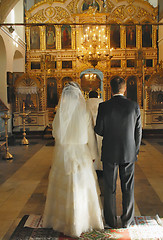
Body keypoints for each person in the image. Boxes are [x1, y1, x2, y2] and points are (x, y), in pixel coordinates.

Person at [43, 82, 104, 237]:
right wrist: (93, 156)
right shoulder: (84, 112)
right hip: (81, 153)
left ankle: (62, 220)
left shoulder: (60, 113)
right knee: (81, 187)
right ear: (78, 96)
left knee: (63, 187)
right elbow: (90, 136)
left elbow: (55, 134)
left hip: (63, 154)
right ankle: (82, 220)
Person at [95, 76, 142, 228]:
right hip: (129, 152)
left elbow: (99, 130)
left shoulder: (104, 106)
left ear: (110, 88)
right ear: (125, 88)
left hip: (109, 151)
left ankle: (110, 221)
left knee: (109, 187)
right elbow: (138, 131)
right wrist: (135, 150)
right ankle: (127, 221)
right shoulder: (133, 106)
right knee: (128, 187)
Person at [86, 90, 103, 170]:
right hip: (101, 130)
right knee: (100, 146)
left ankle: (93, 167)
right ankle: (101, 166)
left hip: (88, 130)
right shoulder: (102, 103)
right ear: (97, 96)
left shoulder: (85, 104)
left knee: (91, 147)